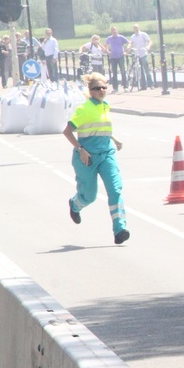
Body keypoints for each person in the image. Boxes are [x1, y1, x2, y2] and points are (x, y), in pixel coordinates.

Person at [62, 72, 129, 245]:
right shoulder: (84, 109)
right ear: (90, 91)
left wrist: (114, 139)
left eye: (104, 87)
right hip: (87, 157)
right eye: (97, 88)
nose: (101, 90)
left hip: (107, 154)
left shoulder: (105, 106)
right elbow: (67, 132)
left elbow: (100, 127)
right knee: (90, 196)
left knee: (115, 189)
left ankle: (120, 229)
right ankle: (75, 204)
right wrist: (80, 149)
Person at [105, 26, 129, 91]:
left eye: (115, 30)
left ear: (117, 30)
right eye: (112, 30)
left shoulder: (121, 37)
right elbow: (105, 45)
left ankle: (125, 86)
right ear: (111, 31)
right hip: (113, 57)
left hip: (120, 56)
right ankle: (115, 88)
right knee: (114, 72)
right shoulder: (109, 38)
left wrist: (126, 51)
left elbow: (128, 43)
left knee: (123, 71)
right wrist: (108, 51)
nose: (114, 31)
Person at [129, 24, 153, 88]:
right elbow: (131, 43)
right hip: (137, 54)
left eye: (136, 28)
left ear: (139, 28)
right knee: (140, 71)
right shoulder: (133, 36)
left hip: (143, 53)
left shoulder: (143, 34)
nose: (136, 29)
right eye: (134, 28)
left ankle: (151, 84)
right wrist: (129, 47)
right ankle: (143, 85)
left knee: (146, 69)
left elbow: (150, 41)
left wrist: (148, 46)